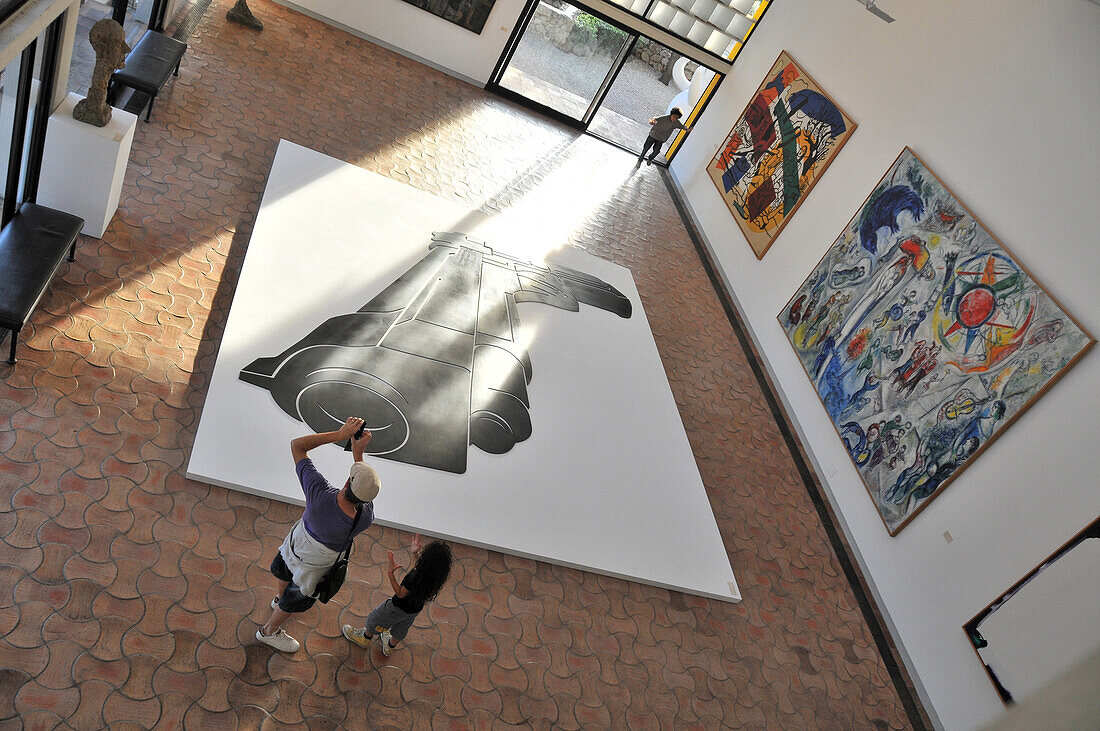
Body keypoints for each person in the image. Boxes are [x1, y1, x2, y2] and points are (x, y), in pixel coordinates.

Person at [256, 417, 380, 652]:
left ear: (347, 482)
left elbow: (297, 445)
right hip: (314, 567)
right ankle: (274, 617)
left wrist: (341, 435)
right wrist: (358, 457)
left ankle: (270, 626)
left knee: (284, 571)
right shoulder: (364, 518)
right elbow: (360, 492)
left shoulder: (319, 493)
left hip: (295, 545)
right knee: (296, 594)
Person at [342, 535, 453, 656]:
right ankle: (390, 647)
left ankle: (365, 638)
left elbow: (400, 594)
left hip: (396, 608)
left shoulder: (414, 577)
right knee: (401, 629)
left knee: (375, 619)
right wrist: (415, 553)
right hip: (413, 611)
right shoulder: (435, 580)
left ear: (426, 559)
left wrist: (390, 574)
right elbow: (421, 569)